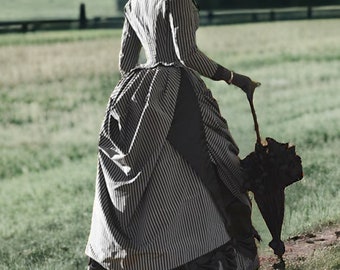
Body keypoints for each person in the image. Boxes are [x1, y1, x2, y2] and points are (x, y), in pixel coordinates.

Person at [85, 0, 261, 269]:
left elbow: (125, 62)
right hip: (178, 93)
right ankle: (218, 249)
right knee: (218, 166)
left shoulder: (134, 3)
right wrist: (235, 78)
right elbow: (187, 55)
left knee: (156, 178)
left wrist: (141, 99)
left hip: (137, 89)